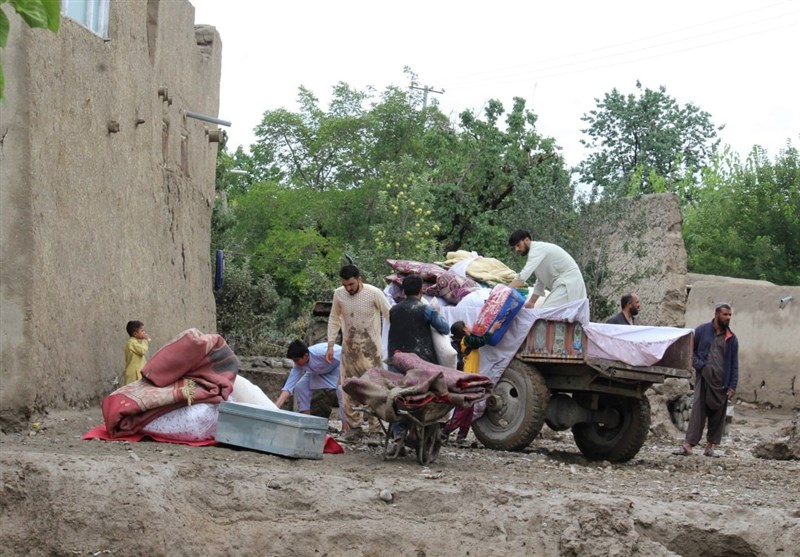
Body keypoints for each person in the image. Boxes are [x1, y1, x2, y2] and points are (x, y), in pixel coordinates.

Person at [326, 264, 391, 442]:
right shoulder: (339, 294)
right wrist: (331, 344)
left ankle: (375, 429)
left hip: (371, 351)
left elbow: (389, 315)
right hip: (349, 350)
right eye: (345, 285)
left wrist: (393, 342)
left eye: (352, 285)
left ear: (359, 279)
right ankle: (354, 428)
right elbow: (334, 319)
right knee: (348, 388)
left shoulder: (374, 293)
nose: (348, 288)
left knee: (374, 388)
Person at [387, 274, 450, 445]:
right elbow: (444, 328)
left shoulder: (394, 310)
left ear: (404, 291)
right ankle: (419, 428)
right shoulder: (425, 309)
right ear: (421, 290)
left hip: (396, 361)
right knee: (422, 397)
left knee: (399, 396)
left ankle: (398, 434)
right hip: (420, 362)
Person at [674, 303, 739, 458]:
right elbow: (692, 351)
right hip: (704, 378)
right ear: (717, 315)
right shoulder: (702, 331)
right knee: (698, 411)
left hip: (722, 382)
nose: (728, 318)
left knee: (718, 415)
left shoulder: (732, 339)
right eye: (725, 314)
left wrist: (732, 385)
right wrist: (700, 366)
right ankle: (688, 445)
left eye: (730, 315)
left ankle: (709, 447)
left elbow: (734, 364)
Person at [443, 320, 499, 447]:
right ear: (463, 330)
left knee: (470, 407)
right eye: (466, 326)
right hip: (467, 377)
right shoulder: (466, 340)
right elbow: (481, 341)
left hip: (471, 377)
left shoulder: (465, 340)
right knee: (464, 408)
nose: (469, 326)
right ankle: (445, 431)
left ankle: (462, 435)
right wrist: (492, 329)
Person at [507, 229, 587, 309]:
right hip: (567, 284)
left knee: (546, 312)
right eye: (515, 247)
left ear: (527, 240)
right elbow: (540, 282)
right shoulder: (537, 254)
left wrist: (504, 291)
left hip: (569, 283)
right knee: (553, 316)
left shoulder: (537, 250)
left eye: (518, 245)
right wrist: (531, 302)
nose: (517, 249)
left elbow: (523, 276)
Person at [275, 340, 343, 421]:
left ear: (306, 356)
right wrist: (276, 406)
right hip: (317, 371)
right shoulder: (298, 364)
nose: (295, 363)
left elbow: (345, 354)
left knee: (341, 392)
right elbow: (289, 386)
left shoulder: (322, 352)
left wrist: (344, 376)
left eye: (296, 360)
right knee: (301, 387)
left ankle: (345, 428)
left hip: (336, 368)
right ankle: (305, 419)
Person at [123, 320, 150, 385]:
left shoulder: (135, 342)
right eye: (142, 331)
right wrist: (145, 340)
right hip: (134, 375)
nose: (144, 333)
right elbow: (143, 350)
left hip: (137, 373)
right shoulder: (132, 343)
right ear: (135, 334)